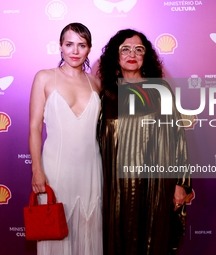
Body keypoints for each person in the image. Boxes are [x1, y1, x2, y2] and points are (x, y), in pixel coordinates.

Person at [97, 29, 192, 255]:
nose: (132, 53)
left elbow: (178, 136)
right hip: (116, 189)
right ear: (115, 56)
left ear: (145, 56)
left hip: (156, 185)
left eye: (139, 49)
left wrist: (181, 183)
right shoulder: (107, 95)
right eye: (125, 49)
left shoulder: (160, 91)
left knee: (154, 241)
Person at [29, 23, 103, 255]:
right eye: (69, 44)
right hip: (56, 170)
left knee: (90, 229)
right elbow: (34, 128)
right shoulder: (44, 77)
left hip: (91, 170)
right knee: (55, 231)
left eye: (81, 45)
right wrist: (36, 170)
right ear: (60, 46)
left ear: (89, 49)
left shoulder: (97, 83)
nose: (75, 51)